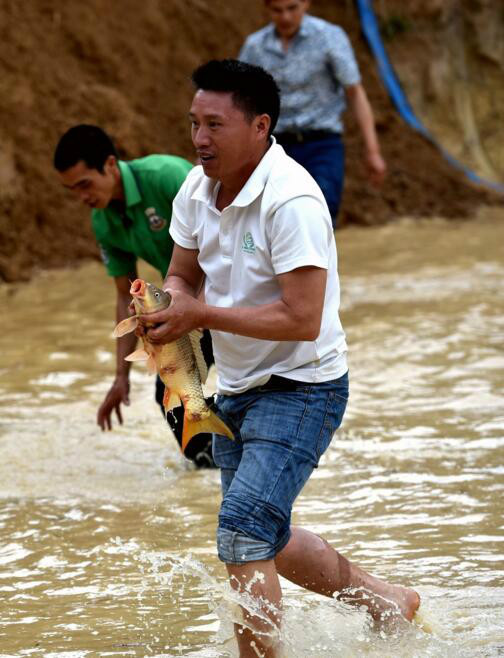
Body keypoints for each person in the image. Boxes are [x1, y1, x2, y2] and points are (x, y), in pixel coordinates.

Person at [138, 59, 419, 657]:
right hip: (238, 383)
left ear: (261, 125)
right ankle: (385, 602)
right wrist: (170, 311)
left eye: (214, 125)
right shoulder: (195, 187)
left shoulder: (292, 200)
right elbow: (182, 275)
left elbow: (302, 317)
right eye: (193, 124)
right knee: (269, 535)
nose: (199, 139)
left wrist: (201, 316)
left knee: (243, 531)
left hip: (304, 386)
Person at [53, 125, 216, 468]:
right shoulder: (103, 222)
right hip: (186, 304)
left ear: (110, 165)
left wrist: (197, 313)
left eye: (85, 183)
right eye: (71, 190)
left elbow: (222, 233)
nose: (82, 197)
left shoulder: (167, 176)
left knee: (245, 380)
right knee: (170, 394)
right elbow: (121, 297)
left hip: (232, 294)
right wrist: (120, 377)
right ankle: (211, 470)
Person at [239, 0, 386, 228]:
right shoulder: (255, 47)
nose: (285, 17)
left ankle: (318, 264)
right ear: (267, 9)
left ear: (306, 4)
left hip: (322, 144)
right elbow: (241, 102)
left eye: (292, 8)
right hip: (275, 147)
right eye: (278, 11)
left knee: (320, 212)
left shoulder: (328, 37)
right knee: (271, 217)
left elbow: (355, 92)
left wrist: (373, 151)